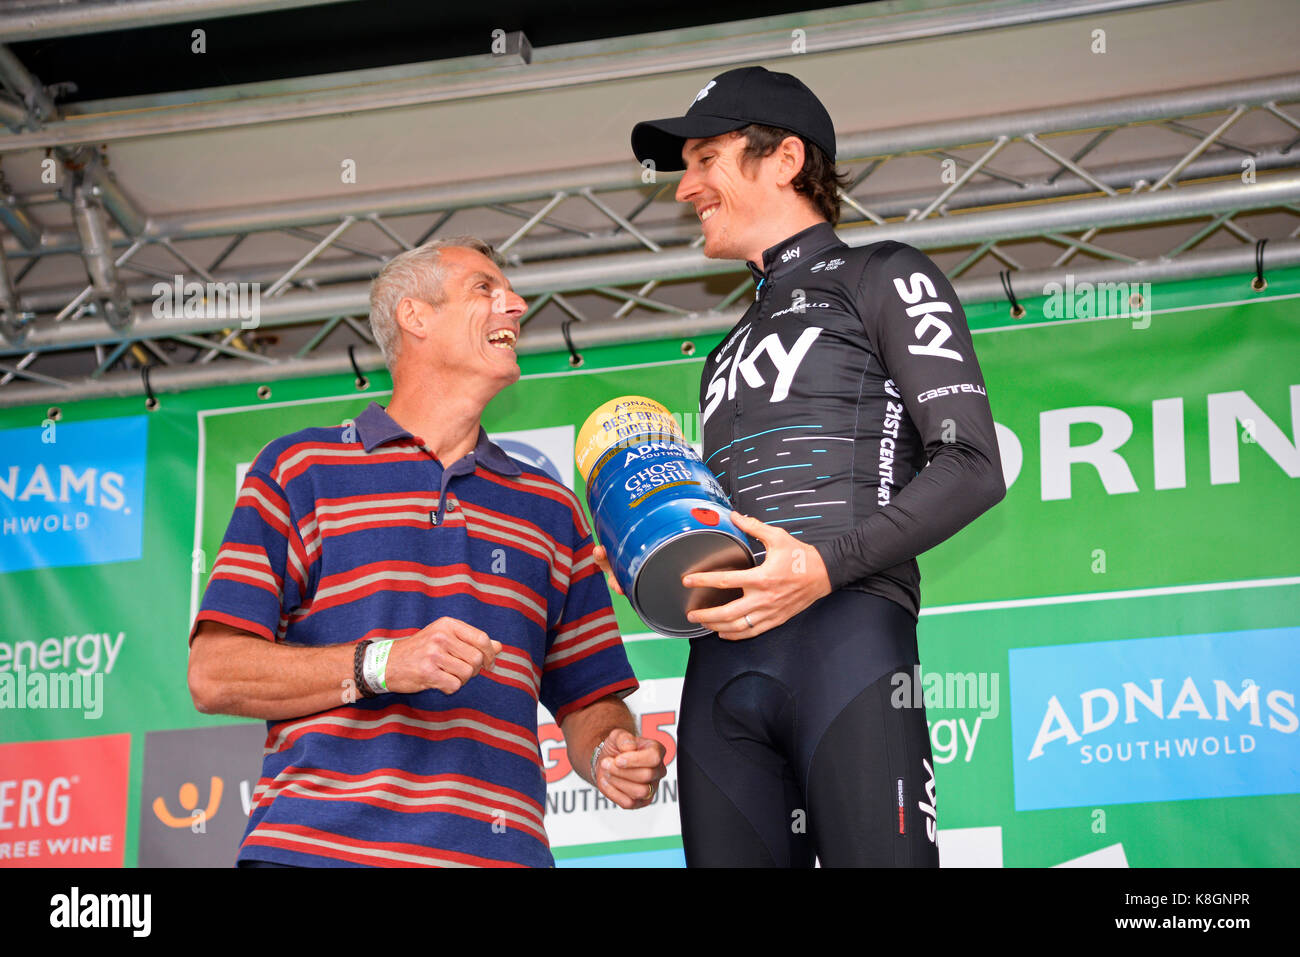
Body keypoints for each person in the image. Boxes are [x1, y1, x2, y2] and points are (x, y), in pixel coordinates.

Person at [609, 67, 1006, 866]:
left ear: (785, 157)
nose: (686, 188)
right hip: (719, 672)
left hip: (848, 642)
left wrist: (825, 567)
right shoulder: (721, 351)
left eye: (705, 159)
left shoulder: (885, 274)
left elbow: (973, 465)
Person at [187, 237, 666, 868]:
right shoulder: (301, 468)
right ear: (415, 316)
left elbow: (589, 698)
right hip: (315, 852)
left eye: (510, 293)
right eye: (485, 290)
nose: (516, 305)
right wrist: (382, 664)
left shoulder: (551, 508)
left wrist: (611, 751)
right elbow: (214, 673)